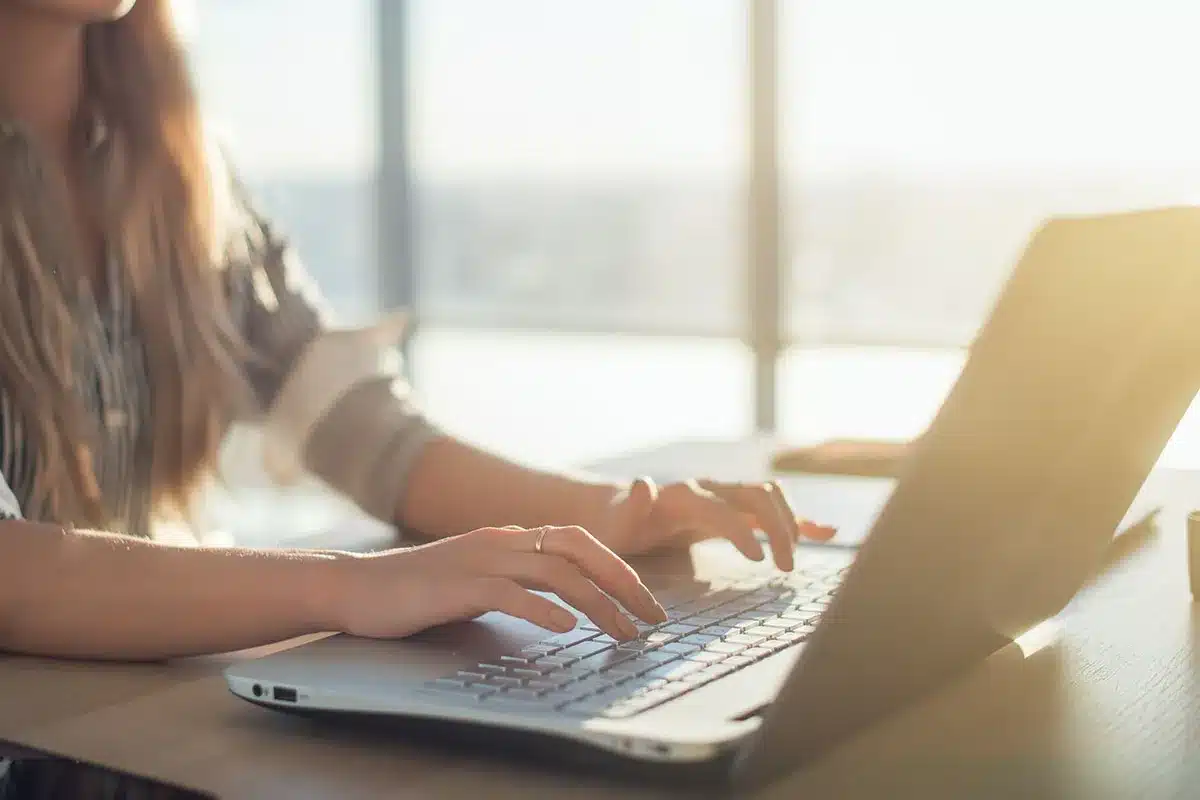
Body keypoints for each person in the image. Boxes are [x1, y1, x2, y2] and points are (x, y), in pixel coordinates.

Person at [0, 0, 834, 795]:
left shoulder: (179, 161)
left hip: (131, 728)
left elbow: (365, 433)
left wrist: (607, 513)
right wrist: (354, 585)